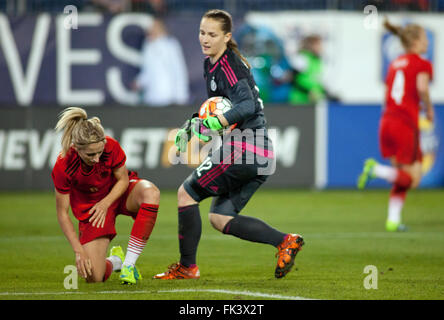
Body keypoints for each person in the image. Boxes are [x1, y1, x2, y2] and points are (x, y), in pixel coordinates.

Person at [153, 9, 304, 280]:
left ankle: (188, 267)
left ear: (227, 36)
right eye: (202, 32)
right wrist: (193, 124)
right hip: (260, 152)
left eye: (212, 34)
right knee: (220, 218)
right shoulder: (211, 63)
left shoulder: (228, 63)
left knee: (186, 194)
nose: (205, 39)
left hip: (245, 147)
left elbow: (245, 105)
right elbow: (217, 107)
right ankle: (285, 241)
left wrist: (215, 122)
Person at [52, 107, 160, 284]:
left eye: (99, 152)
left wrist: (106, 203)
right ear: (76, 148)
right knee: (93, 276)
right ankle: (115, 261)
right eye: (90, 154)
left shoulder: (110, 146)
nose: (96, 158)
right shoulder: (63, 165)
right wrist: (78, 250)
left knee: (151, 192)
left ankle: (128, 265)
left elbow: (123, 180)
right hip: (92, 209)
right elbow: (62, 214)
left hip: (117, 194)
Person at [358, 20, 434, 232]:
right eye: (425, 37)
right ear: (417, 41)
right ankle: (376, 170)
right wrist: (429, 108)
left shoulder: (395, 63)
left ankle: (393, 220)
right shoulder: (422, 63)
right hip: (405, 123)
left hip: (388, 121)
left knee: (402, 175)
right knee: (414, 179)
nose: (427, 41)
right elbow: (422, 88)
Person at [132, 18, 190, 107]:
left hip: (169, 97)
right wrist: (139, 82)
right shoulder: (148, 45)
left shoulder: (171, 45)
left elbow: (178, 70)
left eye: (155, 27)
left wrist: (181, 96)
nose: (151, 29)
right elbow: (148, 70)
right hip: (152, 97)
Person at [288, 34, 339, 105]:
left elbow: (316, 82)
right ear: (311, 45)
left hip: (313, 102)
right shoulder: (302, 58)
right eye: (318, 44)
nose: (321, 47)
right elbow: (292, 80)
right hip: (299, 101)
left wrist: (328, 94)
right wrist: (308, 92)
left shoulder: (317, 61)